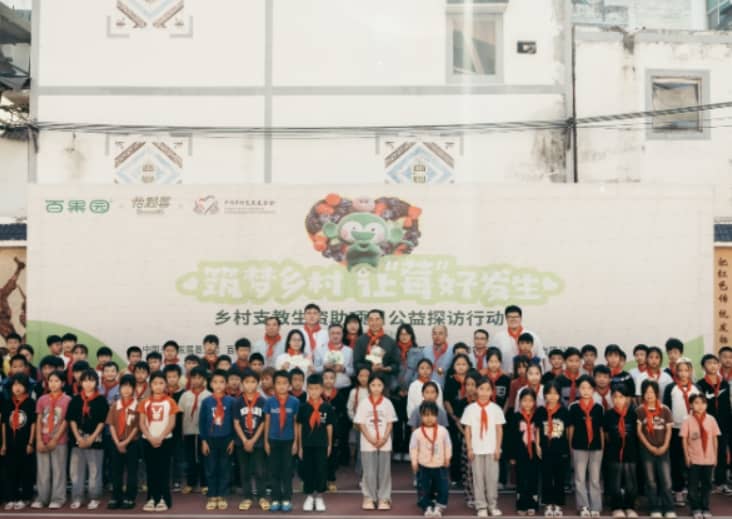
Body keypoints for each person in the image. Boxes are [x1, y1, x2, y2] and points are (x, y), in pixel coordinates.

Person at [461, 376, 505, 518]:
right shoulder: (470, 409)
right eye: (481, 389)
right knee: (478, 479)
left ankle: (492, 505)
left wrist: (498, 448)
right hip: (476, 449)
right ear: (476, 390)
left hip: (492, 449)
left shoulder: (496, 409)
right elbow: (467, 430)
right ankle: (481, 506)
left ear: (492, 391)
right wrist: (469, 448)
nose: (484, 392)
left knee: (492, 478)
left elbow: (499, 430)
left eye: (488, 389)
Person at [354, 372, 398, 511]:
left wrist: (384, 438)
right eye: (373, 385)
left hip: (384, 442)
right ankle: (369, 497)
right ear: (369, 386)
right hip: (368, 442)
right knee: (369, 471)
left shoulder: (387, 403)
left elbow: (390, 422)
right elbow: (361, 424)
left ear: (383, 386)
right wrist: (370, 438)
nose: (376, 388)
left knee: (384, 471)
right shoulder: (364, 403)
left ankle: (384, 498)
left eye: (379, 385)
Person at [138, 370, 180, 512]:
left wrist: (161, 437)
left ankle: (163, 498)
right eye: (155, 383)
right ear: (150, 385)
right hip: (148, 441)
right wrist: (150, 437)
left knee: (163, 470)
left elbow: (172, 423)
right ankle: (151, 497)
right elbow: (142, 423)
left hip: (165, 441)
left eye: (161, 383)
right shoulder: (145, 402)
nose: (158, 386)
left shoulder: (170, 402)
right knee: (151, 470)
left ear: (165, 385)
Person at [67, 368, 109, 510]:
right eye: (85, 380)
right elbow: (71, 420)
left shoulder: (101, 400)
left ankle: (94, 497)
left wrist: (91, 438)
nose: (88, 383)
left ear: (96, 382)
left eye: (91, 380)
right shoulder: (75, 399)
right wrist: (78, 437)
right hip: (77, 441)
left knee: (95, 471)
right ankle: (77, 497)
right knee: (76, 472)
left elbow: (102, 421)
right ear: (81, 382)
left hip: (96, 441)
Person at [662, 356, 699, 507]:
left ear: (690, 371)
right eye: (680, 370)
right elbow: (666, 409)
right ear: (676, 371)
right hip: (676, 430)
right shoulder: (671, 388)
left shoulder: (696, 388)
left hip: (692, 430)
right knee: (676, 460)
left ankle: (692, 491)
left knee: (692, 460)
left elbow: (701, 408)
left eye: (686, 370)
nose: (683, 373)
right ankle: (678, 490)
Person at [636, 379, 675, 519]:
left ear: (657, 393)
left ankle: (669, 507)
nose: (649, 395)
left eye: (652, 392)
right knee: (651, 481)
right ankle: (654, 507)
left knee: (666, 480)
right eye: (646, 392)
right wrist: (650, 447)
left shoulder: (665, 409)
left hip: (663, 449)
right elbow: (639, 432)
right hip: (647, 450)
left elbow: (669, 430)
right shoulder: (640, 410)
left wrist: (664, 446)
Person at [297, 373, 335, 513]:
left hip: (322, 444)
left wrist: (329, 444)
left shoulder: (327, 407)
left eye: (317, 388)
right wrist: (300, 446)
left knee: (321, 470)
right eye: (311, 388)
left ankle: (319, 496)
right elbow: (299, 427)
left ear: (322, 389)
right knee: (308, 470)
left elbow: (329, 426)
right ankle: (309, 496)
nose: (314, 391)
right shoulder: (303, 407)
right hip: (307, 445)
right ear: (307, 389)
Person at [32, 370, 70, 509]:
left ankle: (58, 498)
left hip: (59, 441)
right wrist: (38, 440)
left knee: (58, 470)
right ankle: (42, 498)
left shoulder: (67, 400)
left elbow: (66, 421)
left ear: (63, 383)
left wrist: (55, 439)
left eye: (57, 381)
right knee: (43, 471)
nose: (53, 384)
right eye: (51, 381)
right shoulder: (42, 399)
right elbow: (39, 419)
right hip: (43, 439)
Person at [694, 353, 732, 495]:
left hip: (723, 424)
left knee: (721, 452)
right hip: (706, 423)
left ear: (719, 365)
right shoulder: (700, 384)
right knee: (704, 452)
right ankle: (704, 482)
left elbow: (728, 404)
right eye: (709, 363)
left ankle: (721, 483)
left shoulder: (725, 383)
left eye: (715, 363)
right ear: (703, 367)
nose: (713, 366)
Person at [263, 370, 300, 513]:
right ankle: (275, 498)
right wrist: (266, 441)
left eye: (285, 383)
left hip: (288, 441)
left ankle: (286, 498)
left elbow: (296, 423)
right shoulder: (270, 401)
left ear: (290, 385)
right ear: (274, 385)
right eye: (278, 383)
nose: (281, 386)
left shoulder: (295, 402)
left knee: (287, 470)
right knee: (274, 471)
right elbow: (267, 422)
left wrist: (296, 442)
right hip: (273, 440)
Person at [568, 375, 604, 518]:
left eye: (589, 388)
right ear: (578, 389)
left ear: (593, 390)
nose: (586, 391)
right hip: (579, 446)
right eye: (583, 388)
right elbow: (571, 428)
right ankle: (583, 506)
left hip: (596, 447)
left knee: (595, 478)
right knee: (580, 478)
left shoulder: (598, 407)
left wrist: (602, 447)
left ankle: (596, 506)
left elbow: (600, 429)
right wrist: (571, 446)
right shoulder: (574, 407)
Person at [199, 369, 235, 511]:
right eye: (215, 382)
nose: (218, 385)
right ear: (210, 384)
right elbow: (202, 422)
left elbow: (234, 422)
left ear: (226, 384)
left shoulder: (231, 401)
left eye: (221, 382)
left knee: (225, 468)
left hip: (226, 439)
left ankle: (222, 495)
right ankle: (212, 495)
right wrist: (203, 441)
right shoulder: (206, 402)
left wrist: (233, 440)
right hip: (210, 439)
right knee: (211, 468)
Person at [233, 368, 268, 511]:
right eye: (247, 382)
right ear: (242, 384)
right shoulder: (238, 402)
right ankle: (247, 497)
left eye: (253, 382)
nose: (250, 385)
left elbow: (263, 423)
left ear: (258, 383)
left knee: (259, 471)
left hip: (257, 442)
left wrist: (252, 440)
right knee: (245, 471)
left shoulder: (263, 401)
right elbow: (236, 423)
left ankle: (261, 496)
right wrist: (244, 440)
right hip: (241, 442)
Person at [680, 394, 720, 519]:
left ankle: (705, 507)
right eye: (696, 403)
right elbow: (684, 440)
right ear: (691, 405)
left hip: (708, 458)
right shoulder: (687, 420)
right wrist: (686, 457)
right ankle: (695, 508)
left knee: (707, 485)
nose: (700, 406)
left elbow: (715, 439)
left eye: (703, 403)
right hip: (694, 458)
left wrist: (715, 456)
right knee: (693, 485)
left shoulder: (711, 419)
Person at [410, 401, 452, 518]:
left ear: (437, 415)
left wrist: (447, 458)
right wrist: (414, 462)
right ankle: (427, 506)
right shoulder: (417, 433)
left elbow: (447, 445)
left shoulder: (443, 431)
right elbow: (413, 448)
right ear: (421, 416)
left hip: (440, 465)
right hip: (424, 466)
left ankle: (439, 507)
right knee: (424, 488)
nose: (429, 418)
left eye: (432, 415)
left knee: (443, 488)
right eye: (426, 415)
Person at [1, 373, 36, 510]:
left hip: (25, 443)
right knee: (11, 471)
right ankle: (11, 497)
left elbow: (33, 423)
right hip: (10, 443)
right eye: (15, 384)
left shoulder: (30, 403)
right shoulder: (7, 403)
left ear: (26, 387)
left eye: (20, 385)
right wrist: (3, 444)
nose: (17, 388)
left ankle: (26, 497)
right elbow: (4, 424)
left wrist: (30, 443)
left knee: (26, 471)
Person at [105, 374, 139, 510]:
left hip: (132, 443)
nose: (126, 389)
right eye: (124, 386)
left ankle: (130, 497)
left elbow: (137, 427)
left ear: (134, 389)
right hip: (116, 442)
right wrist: (117, 442)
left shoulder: (138, 405)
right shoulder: (115, 405)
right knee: (116, 471)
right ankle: (116, 496)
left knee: (132, 471)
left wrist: (126, 442)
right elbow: (111, 424)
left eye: (130, 386)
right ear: (119, 389)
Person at [604, 386, 639, 518]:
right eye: (615, 397)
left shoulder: (633, 414)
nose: (618, 400)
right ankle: (617, 507)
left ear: (627, 399)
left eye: (621, 397)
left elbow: (636, 433)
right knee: (615, 480)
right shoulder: (608, 414)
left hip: (630, 451)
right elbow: (606, 435)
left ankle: (630, 506)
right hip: (614, 451)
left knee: (631, 481)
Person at [536, 381, 569, 518]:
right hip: (546, 449)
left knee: (559, 477)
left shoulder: (563, 411)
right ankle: (548, 503)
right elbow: (538, 429)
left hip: (560, 450)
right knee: (547, 476)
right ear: (545, 395)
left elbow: (568, 431)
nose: (552, 396)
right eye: (549, 393)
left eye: (555, 393)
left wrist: (568, 448)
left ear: (559, 395)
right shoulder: (541, 411)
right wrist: (537, 445)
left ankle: (559, 503)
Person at [393, 323, 424, 462]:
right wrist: (397, 389)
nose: (404, 336)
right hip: (395, 393)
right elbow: (390, 371)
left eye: (407, 334)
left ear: (411, 335)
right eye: (401, 334)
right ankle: (397, 449)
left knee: (409, 421)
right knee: (397, 422)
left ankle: (407, 449)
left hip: (411, 393)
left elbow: (419, 371)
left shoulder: (418, 352)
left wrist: (409, 389)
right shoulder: (393, 350)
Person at [507, 389, 540, 515]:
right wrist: (512, 456)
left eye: (530, 401)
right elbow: (511, 437)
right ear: (520, 401)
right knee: (521, 478)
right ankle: (521, 504)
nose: (527, 403)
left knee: (533, 478)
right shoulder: (515, 417)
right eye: (524, 400)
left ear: (535, 402)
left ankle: (532, 504)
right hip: (520, 453)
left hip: (534, 453)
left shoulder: (538, 416)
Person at [178, 366, 210, 495]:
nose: (196, 380)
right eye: (194, 377)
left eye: (199, 378)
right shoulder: (185, 395)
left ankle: (204, 484)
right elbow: (180, 414)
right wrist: (181, 431)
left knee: (203, 458)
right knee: (190, 459)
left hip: (203, 433)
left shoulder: (208, 395)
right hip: (188, 431)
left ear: (204, 379)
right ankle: (190, 483)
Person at [444, 353, 473, 485]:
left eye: (464, 364)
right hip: (454, 417)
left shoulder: (472, 380)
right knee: (455, 447)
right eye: (458, 364)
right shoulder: (450, 380)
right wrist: (454, 416)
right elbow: (446, 400)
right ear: (453, 366)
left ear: (469, 366)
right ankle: (456, 477)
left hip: (470, 419)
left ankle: (469, 475)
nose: (461, 367)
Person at [353, 309, 400, 388]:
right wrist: (370, 368)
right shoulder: (360, 340)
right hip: (365, 383)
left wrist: (386, 368)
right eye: (371, 320)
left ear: (383, 321)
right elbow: (356, 364)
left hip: (384, 383)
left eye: (377, 319)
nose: (374, 323)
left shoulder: (390, 341)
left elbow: (396, 365)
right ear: (368, 322)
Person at [493, 305, 544, 375]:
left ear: (521, 318)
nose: (513, 319)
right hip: (506, 376)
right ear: (506, 318)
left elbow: (541, 358)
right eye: (510, 317)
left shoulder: (533, 336)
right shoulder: (498, 338)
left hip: (531, 378)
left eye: (516, 317)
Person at [321, 368, 349, 485]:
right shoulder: (318, 395)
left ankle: (331, 479)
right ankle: (321, 479)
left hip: (335, 431)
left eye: (331, 378)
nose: (328, 380)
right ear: (322, 379)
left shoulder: (340, 396)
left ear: (335, 379)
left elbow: (343, 415)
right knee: (320, 455)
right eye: (326, 378)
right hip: (320, 431)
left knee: (333, 455)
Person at [313, 323, 354, 388]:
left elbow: (353, 372)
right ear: (328, 334)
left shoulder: (349, 351)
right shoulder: (319, 350)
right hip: (325, 388)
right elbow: (315, 370)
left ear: (342, 334)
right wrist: (324, 367)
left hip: (344, 387)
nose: (335, 336)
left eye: (338, 333)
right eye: (332, 333)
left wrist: (343, 369)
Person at [347, 365, 370, 466]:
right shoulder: (354, 392)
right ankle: (360, 468)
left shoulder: (373, 390)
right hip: (358, 423)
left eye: (366, 376)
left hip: (371, 423)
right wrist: (354, 419)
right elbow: (350, 408)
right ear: (357, 377)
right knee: (360, 446)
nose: (364, 378)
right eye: (361, 376)